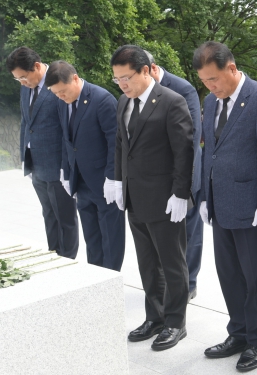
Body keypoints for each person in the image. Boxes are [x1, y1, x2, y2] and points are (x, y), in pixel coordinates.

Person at [197, 41, 257, 373]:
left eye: (214, 79)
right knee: (229, 274)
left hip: (251, 206)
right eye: (205, 80)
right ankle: (239, 332)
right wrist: (204, 195)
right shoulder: (210, 100)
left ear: (231, 68)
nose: (210, 86)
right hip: (220, 204)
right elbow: (209, 152)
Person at [108, 45, 195, 351]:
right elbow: (121, 144)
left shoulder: (172, 101)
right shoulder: (123, 102)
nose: (122, 84)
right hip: (135, 198)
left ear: (146, 71)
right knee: (147, 263)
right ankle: (154, 317)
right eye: (117, 78)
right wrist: (118, 182)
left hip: (165, 199)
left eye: (127, 77)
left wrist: (180, 193)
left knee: (172, 263)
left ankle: (175, 322)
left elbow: (184, 152)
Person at [45, 60, 125, 271]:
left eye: (62, 91)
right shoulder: (63, 102)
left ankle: (110, 279)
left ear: (75, 78)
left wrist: (114, 177)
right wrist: (65, 169)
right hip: (80, 182)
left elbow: (115, 142)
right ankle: (94, 277)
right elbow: (66, 139)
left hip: (103, 182)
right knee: (92, 237)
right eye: (56, 94)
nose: (60, 96)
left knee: (111, 238)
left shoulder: (102, 99)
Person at [6, 47, 79, 259]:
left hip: (57, 164)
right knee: (48, 213)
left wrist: (68, 166)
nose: (22, 82)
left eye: (24, 77)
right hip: (35, 163)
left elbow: (69, 128)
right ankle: (53, 254)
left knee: (64, 216)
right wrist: (23, 157)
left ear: (37, 66)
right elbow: (25, 123)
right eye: (17, 79)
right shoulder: (26, 87)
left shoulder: (59, 82)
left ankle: (67, 261)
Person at [147, 51, 205, 300]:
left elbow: (189, 138)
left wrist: (184, 184)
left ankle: (188, 282)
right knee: (163, 233)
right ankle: (168, 281)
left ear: (151, 68)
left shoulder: (183, 89)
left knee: (189, 231)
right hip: (156, 176)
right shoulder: (136, 90)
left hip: (186, 171)